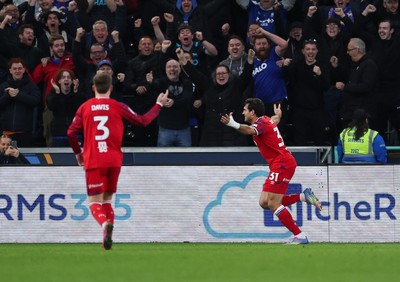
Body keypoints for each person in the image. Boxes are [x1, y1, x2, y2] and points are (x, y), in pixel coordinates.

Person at [67, 72, 168, 250]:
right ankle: (107, 241)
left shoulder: (85, 107)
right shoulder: (118, 106)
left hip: (94, 160)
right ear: (111, 88)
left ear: (93, 88)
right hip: (114, 160)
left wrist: (78, 153)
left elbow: (70, 133)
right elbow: (142, 121)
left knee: (94, 202)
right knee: (107, 201)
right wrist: (158, 104)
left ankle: (105, 226)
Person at [220, 97, 322, 244]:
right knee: (264, 202)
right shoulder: (266, 120)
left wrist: (232, 124)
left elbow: (249, 130)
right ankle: (303, 196)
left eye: (245, 110)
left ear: (252, 112)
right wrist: (279, 115)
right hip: (280, 164)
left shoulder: (259, 124)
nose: (243, 112)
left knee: (273, 204)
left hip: (282, 164)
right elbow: (275, 120)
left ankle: (300, 235)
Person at [0, 58, 41, 147]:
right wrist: (7, 95)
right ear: (10, 71)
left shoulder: (31, 85)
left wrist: (18, 95)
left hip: (24, 134)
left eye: (19, 68)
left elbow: (35, 100)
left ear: (23, 70)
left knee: (24, 160)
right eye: (14, 69)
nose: (17, 71)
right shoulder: (4, 86)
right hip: (6, 135)